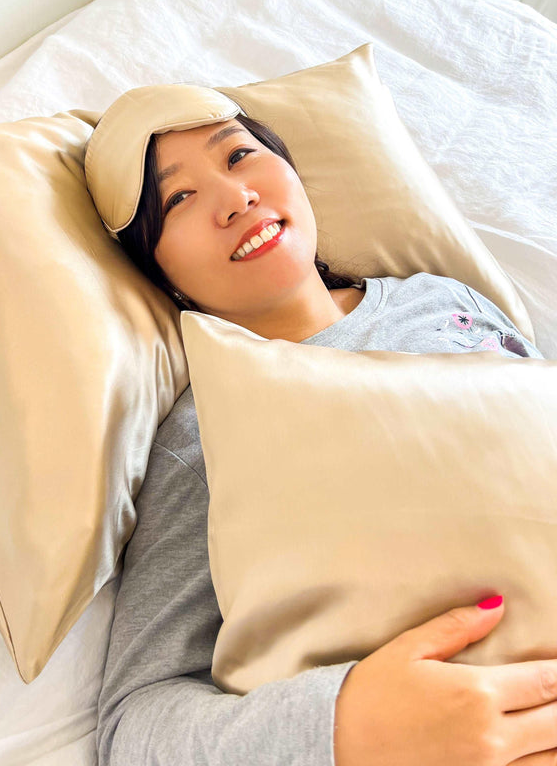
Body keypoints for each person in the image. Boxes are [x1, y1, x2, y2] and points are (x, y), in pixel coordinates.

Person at [83, 83, 552, 766]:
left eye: (240, 156)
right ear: (162, 272)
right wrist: (343, 726)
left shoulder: (444, 299)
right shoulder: (206, 434)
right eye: (178, 198)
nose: (235, 197)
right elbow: (135, 726)